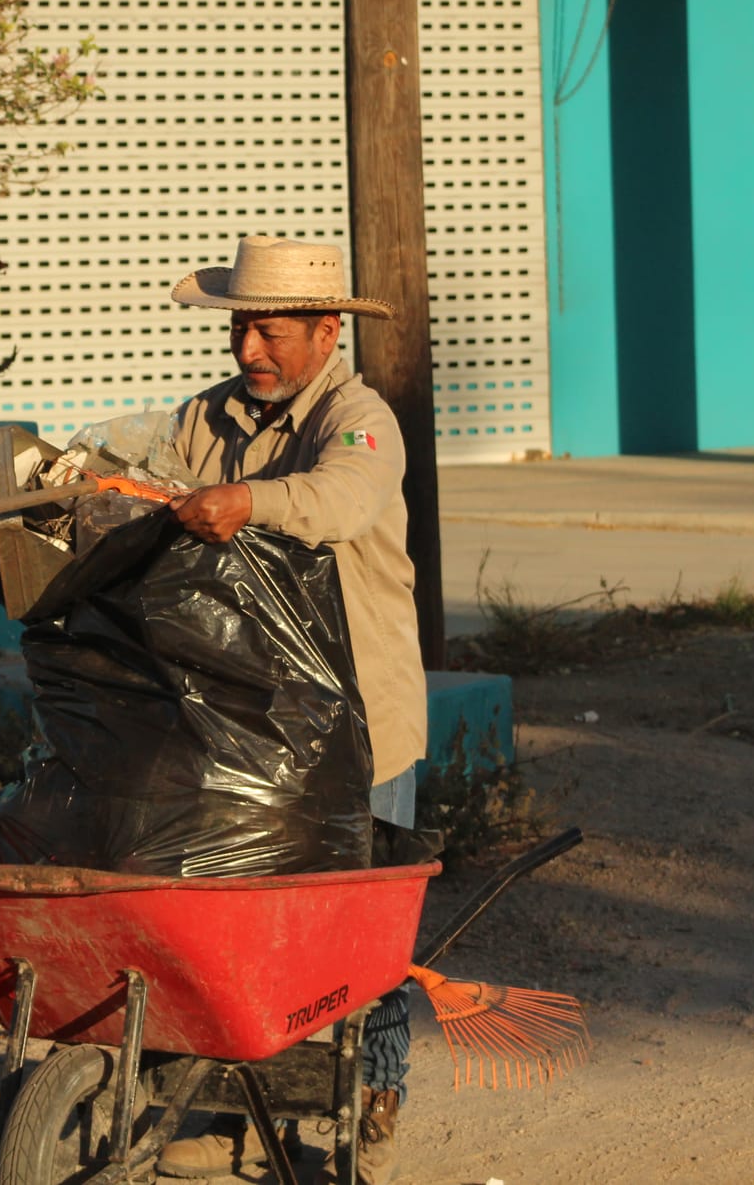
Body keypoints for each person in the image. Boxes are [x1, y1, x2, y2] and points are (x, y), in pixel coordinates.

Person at [157, 235, 425, 1185]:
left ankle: (371, 1101)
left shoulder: (361, 420)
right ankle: (236, 1117)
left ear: (325, 334)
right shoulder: (204, 418)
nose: (248, 351)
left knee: (361, 935)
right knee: (241, 928)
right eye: (240, 329)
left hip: (362, 724)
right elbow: (139, 479)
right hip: (249, 728)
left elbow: (340, 500)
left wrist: (246, 500)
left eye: (269, 332)